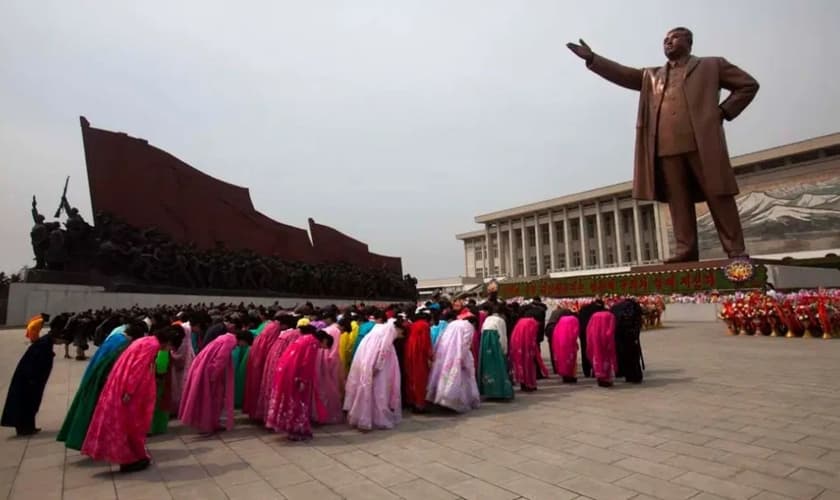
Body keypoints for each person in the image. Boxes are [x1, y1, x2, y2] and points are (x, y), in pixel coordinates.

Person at [567, 28, 759, 262]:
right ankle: (685, 250)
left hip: (702, 144)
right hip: (666, 147)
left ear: (689, 42)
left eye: (674, 38)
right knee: (678, 201)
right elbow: (624, 74)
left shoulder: (712, 65)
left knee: (718, 195)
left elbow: (748, 85)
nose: (668, 42)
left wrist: (722, 112)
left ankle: (735, 250)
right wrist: (593, 59)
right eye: (665, 40)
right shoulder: (652, 76)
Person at [81, 328, 174, 473]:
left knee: (125, 424)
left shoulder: (146, 340)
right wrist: (129, 391)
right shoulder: (152, 346)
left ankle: (134, 456)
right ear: (167, 342)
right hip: (130, 392)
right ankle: (128, 459)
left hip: (120, 383)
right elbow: (137, 368)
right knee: (130, 425)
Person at [58, 321, 147, 450]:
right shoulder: (123, 343)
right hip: (102, 378)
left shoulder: (116, 337)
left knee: (88, 408)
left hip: (95, 373)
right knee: (94, 411)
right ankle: (91, 441)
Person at [265, 329, 334, 441]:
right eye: (324, 346)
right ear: (325, 340)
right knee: (298, 402)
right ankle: (296, 430)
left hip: (286, 371)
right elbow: (307, 363)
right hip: (295, 375)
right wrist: (303, 380)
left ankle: (290, 427)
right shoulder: (313, 344)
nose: (322, 348)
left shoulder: (305, 338)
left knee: (289, 401)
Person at [178, 330, 248, 434]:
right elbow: (220, 359)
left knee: (206, 397)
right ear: (243, 340)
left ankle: (207, 424)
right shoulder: (230, 341)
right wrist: (213, 375)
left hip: (203, 365)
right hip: (208, 370)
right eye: (244, 344)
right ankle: (208, 425)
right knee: (211, 398)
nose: (242, 346)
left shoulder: (226, 337)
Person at [344, 319, 403, 430]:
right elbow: (382, 353)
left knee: (366, 391)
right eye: (400, 332)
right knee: (379, 392)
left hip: (366, 363)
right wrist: (377, 367)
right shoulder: (386, 336)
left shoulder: (376, 332)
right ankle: (374, 418)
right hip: (378, 369)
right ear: (397, 328)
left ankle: (362, 416)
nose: (399, 334)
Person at [1, 332, 55, 436]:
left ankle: (29, 427)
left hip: (32, 380)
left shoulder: (45, 344)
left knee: (31, 404)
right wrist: (32, 379)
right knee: (25, 404)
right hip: (28, 380)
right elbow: (33, 364)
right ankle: (23, 428)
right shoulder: (42, 345)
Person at [426, 318, 481, 413]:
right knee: (461, 379)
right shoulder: (469, 327)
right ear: (474, 323)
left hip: (444, 353)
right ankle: (456, 401)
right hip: (458, 354)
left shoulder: (452, 324)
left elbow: (441, 339)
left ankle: (441, 398)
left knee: (443, 377)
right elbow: (465, 344)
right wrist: (462, 358)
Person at [254, 325, 302, 422]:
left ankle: (269, 415)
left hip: (274, 360)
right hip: (282, 362)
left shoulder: (284, 332)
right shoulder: (295, 335)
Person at [311, 311, 345, 424]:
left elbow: (332, 347)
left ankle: (320, 413)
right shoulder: (335, 330)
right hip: (329, 359)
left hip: (324, 358)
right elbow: (334, 348)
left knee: (323, 387)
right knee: (330, 387)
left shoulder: (331, 330)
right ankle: (324, 412)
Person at [478, 303, 513, 400]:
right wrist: (504, 350)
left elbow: (482, 331)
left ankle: (488, 391)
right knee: (498, 366)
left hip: (485, 342)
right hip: (494, 341)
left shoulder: (487, 319)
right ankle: (499, 392)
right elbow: (502, 336)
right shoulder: (500, 320)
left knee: (487, 366)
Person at [403, 310, 433, 412]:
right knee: (420, 378)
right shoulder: (424, 325)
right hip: (419, 354)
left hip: (409, 352)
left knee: (411, 377)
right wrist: (430, 356)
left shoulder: (413, 325)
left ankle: (412, 401)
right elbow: (426, 342)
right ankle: (419, 404)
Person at [610, 299, 645, 383]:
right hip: (630, 334)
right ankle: (635, 376)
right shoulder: (633, 306)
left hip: (619, 334)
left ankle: (625, 374)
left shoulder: (615, 307)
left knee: (622, 354)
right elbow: (637, 322)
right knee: (633, 356)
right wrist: (636, 334)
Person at [509, 314, 542, 392]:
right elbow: (532, 338)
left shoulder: (520, 322)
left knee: (520, 364)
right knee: (528, 365)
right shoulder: (532, 323)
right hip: (526, 345)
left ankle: (523, 383)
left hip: (517, 344)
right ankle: (529, 384)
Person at [586, 311, 618, 388]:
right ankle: (606, 378)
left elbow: (589, 329)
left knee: (597, 357)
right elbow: (611, 330)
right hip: (605, 340)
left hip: (595, 339)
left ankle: (599, 377)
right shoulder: (610, 316)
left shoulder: (594, 316)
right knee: (606, 359)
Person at [551, 315, 581, 383]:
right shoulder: (573, 321)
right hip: (569, 344)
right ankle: (570, 375)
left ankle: (565, 375)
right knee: (571, 360)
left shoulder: (559, 325)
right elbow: (575, 333)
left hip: (560, 344)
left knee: (562, 359)